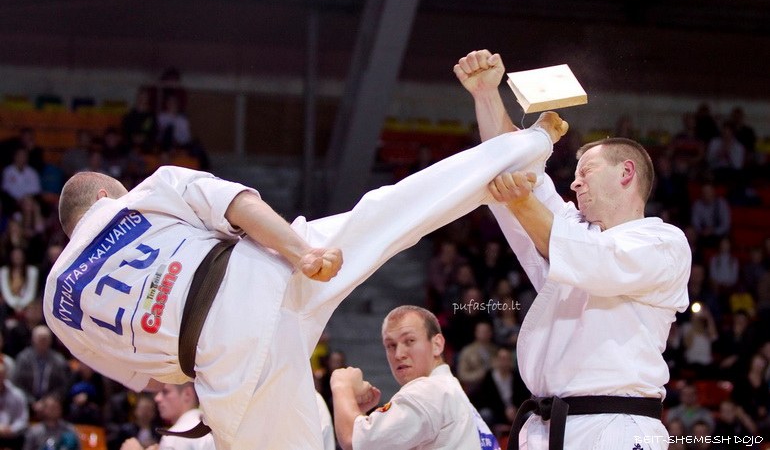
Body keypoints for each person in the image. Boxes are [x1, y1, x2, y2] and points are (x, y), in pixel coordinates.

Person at [44, 109, 569, 450]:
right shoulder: (146, 192)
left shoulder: (57, 302)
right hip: (257, 271)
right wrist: (303, 253)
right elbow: (237, 204)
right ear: (107, 195)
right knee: (392, 211)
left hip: (222, 362)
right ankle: (526, 146)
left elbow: (155, 376)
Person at [454, 49, 691, 450]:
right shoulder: (574, 231)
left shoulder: (663, 243)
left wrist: (521, 203)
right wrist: (486, 95)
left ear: (626, 173)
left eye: (586, 172)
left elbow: (594, 260)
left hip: (615, 428)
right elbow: (513, 168)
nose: (575, 183)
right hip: (546, 426)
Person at [330, 305, 500, 450]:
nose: (399, 354)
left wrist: (341, 384)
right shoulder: (448, 390)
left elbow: (352, 439)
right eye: (390, 345)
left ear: (437, 344)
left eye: (409, 341)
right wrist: (358, 414)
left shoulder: (427, 391)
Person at [120, 382, 215, 450]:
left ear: (187, 394)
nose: (157, 398)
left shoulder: (175, 437)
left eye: (165, 392)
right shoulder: (211, 427)